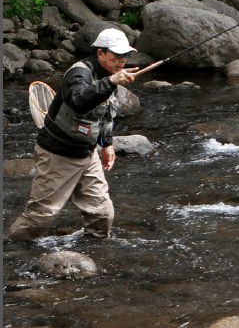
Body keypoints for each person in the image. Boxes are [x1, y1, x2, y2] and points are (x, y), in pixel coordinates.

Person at [6, 29, 160, 242]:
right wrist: (112, 81)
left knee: (102, 215)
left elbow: (106, 113)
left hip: (87, 155)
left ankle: (94, 254)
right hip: (57, 153)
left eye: (124, 56)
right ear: (100, 54)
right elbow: (79, 102)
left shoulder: (109, 76)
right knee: (40, 218)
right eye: (116, 55)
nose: (121, 60)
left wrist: (107, 144)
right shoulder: (78, 74)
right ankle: (9, 250)